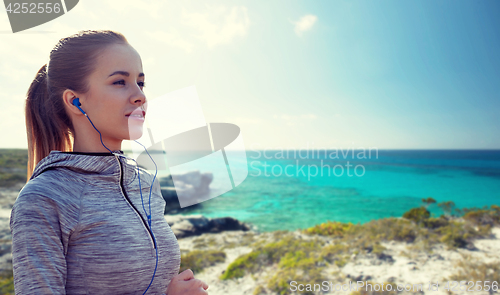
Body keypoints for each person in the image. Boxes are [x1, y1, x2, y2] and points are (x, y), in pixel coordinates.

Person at [10, 29, 209, 294]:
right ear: (76, 101)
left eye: (141, 83)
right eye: (119, 82)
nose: (140, 96)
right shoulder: (44, 197)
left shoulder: (145, 183)